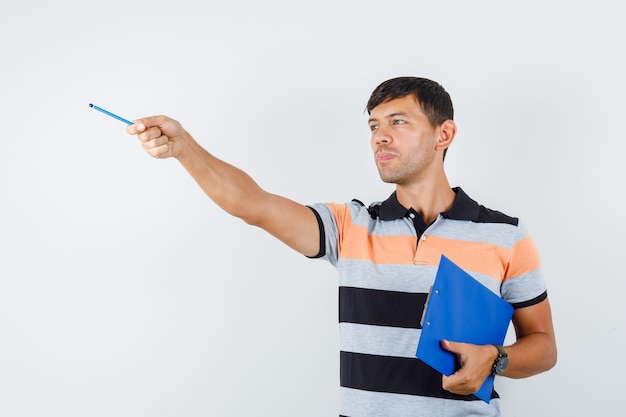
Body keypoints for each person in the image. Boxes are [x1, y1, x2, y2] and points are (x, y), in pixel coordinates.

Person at [126, 77, 557, 417]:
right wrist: (185, 148)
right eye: (374, 125)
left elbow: (543, 346)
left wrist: (495, 359)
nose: (380, 137)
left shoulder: (506, 236)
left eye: (398, 122)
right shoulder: (349, 225)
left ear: (444, 134)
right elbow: (251, 205)